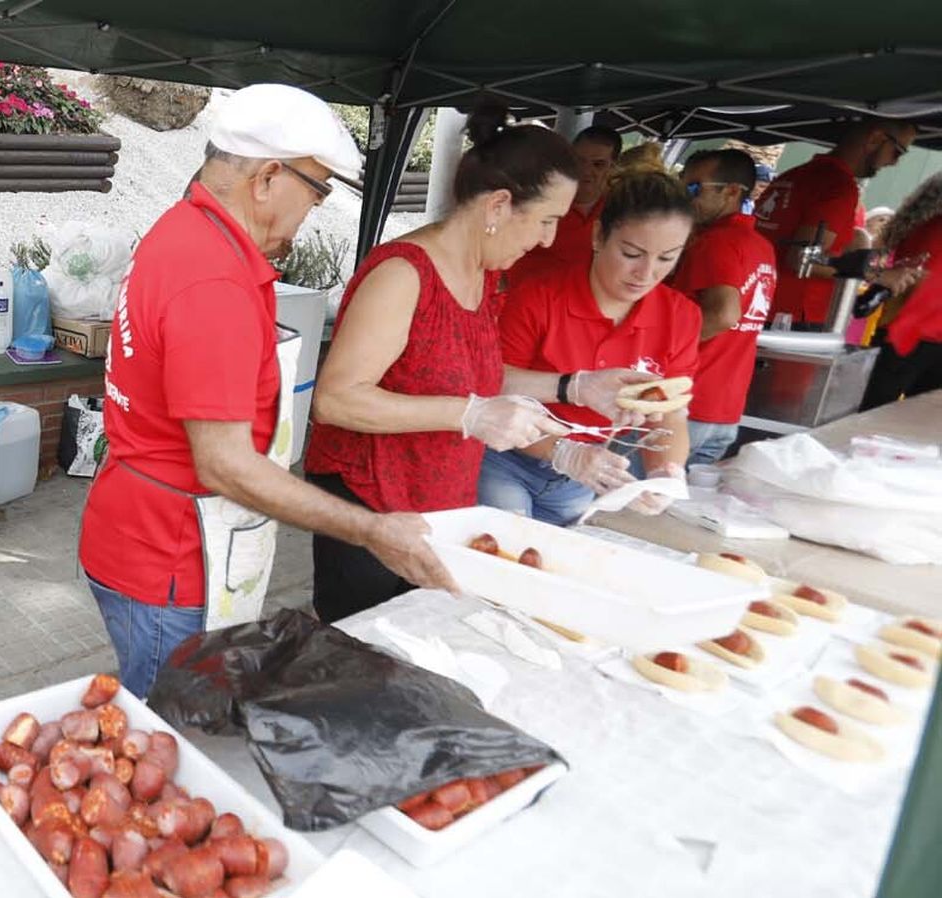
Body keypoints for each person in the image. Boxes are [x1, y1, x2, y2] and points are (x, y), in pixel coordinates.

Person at [76, 84, 454, 699]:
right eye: (318, 191)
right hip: (173, 559)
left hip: (137, 532)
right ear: (268, 177)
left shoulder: (183, 230)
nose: (313, 210)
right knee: (169, 730)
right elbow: (224, 463)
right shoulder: (212, 282)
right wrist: (371, 530)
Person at [303, 107, 655, 622]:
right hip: (373, 507)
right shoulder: (403, 274)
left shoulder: (482, 276)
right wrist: (469, 415)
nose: (549, 240)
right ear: (499, 206)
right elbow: (335, 399)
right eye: (547, 221)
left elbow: (471, 374)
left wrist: (576, 389)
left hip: (439, 505)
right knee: (362, 654)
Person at [479, 168, 702, 525]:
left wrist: (666, 471)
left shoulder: (681, 317)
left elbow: (671, 413)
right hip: (504, 459)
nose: (645, 274)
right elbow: (491, 386)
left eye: (666, 258)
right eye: (631, 253)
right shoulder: (540, 298)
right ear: (599, 235)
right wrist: (565, 449)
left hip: (581, 478)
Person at [670, 149, 778, 465]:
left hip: (686, 406)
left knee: (625, 502)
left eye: (694, 188)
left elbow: (724, 314)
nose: (684, 197)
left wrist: (658, 348)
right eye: (681, 185)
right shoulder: (762, 246)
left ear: (731, 191)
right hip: (726, 412)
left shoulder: (716, 242)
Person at [754, 119, 917, 325]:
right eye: (897, 152)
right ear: (875, 139)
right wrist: (879, 275)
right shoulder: (838, 186)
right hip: (792, 315)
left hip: (761, 301)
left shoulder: (796, 174)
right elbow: (802, 259)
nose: (894, 163)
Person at [504, 125, 623, 287]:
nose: (585, 170)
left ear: (613, 167)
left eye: (598, 164)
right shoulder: (538, 200)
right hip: (522, 298)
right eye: (579, 160)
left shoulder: (620, 211)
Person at [861, 173, 942, 409]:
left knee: (871, 413)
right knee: (918, 424)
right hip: (926, 335)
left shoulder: (918, 225)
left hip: (898, 330)